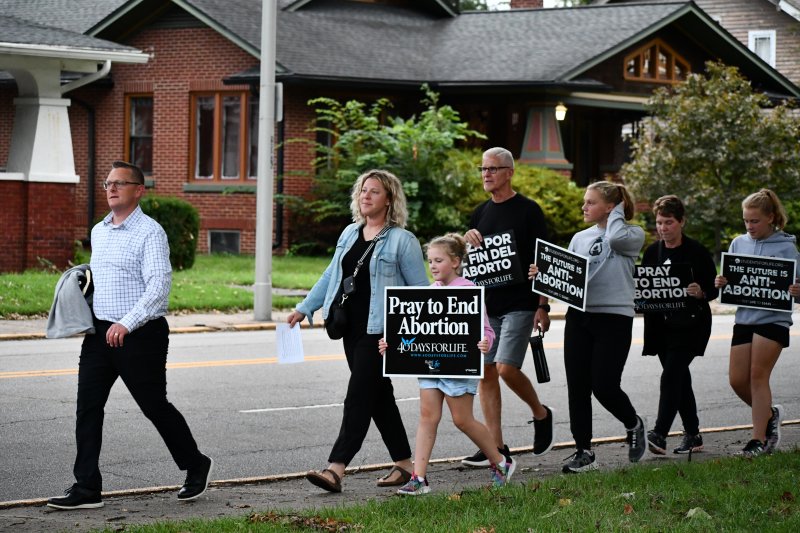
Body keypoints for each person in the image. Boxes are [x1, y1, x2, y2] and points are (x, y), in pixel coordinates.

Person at [47, 161, 213, 510]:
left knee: (154, 407)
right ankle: (87, 487)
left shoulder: (150, 233)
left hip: (140, 334)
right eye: (108, 183)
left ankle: (195, 464)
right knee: (87, 408)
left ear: (138, 190)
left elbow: (158, 288)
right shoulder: (99, 231)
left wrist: (127, 323)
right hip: (99, 334)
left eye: (120, 183)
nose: (111, 188)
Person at [288, 169, 428, 493]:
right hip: (349, 329)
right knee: (379, 398)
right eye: (363, 190)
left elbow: (421, 293)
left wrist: (402, 335)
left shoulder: (402, 241)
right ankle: (405, 465)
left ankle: (336, 468)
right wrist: (304, 307)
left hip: (380, 334)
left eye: (374, 191)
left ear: (389, 199)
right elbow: (330, 275)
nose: (366, 196)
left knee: (358, 397)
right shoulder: (350, 234)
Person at [378, 233, 515, 496]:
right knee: (427, 417)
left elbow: (487, 329)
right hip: (429, 365)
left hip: (458, 365)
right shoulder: (430, 292)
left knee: (462, 420)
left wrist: (485, 342)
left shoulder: (468, 291)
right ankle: (418, 479)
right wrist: (390, 344)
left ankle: (501, 462)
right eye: (430, 261)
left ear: (455, 261)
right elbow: (413, 328)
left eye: (438, 260)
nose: (432, 266)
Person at [531, 180, 646, 473]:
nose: (584, 207)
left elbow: (616, 240)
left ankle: (633, 423)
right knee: (578, 387)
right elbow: (568, 278)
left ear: (611, 206)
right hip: (580, 318)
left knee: (604, 385)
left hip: (614, 318)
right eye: (584, 201)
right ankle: (583, 450)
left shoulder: (631, 234)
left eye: (591, 202)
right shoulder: (580, 238)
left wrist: (618, 212)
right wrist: (543, 277)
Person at [461, 147, 554, 469]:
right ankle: (495, 447)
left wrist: (543, 306)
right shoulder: (480, 213)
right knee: (485, 372)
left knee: (505, 367)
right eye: (483, 169)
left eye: (493, 169)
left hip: (520, 303)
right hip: (488, 306)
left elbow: (543, 259)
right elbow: (469, 262)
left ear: (509, 172)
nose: (486, 174)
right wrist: (465, 240)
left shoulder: (528, 210)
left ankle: (541, 414)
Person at [714, 189, 800, 457]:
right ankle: (770, 415)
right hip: (745, 319)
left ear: (771, 218)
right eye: (746, 221)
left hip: (773, 320)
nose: (749, 226)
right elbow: (733, 280)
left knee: (757, 375)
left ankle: (758, 440)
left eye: (755, 221)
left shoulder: (787, 247)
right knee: (737, 380)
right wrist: (722, 283)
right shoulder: (738, 244)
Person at [641, 196, 718, 455]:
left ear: (682, 221)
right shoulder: (653, 252)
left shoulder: (696, 251)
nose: (663, 228)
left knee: (672, 374)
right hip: (661, 327)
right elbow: (646, 287)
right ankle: (693, 434)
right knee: (679, 379)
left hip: (690, 325)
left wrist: (701, 291)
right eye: (659, 222)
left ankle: (659, 434)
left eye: (669, 222)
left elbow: (712, 289)